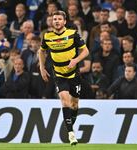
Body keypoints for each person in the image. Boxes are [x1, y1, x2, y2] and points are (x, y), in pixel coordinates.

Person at [39, 10, 89, 145]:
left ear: (64, 21)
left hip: (74, 74)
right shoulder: (47, 36)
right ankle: (71, 134)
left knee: (74, 104)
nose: (56, 21)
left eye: (59, 19)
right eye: (54, 19)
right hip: (59, 74)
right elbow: (41, 51)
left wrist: (75, 60)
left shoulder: (72, 34)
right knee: (65, 101)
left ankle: (70, 125)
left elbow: (86, 51)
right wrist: (42, 67)